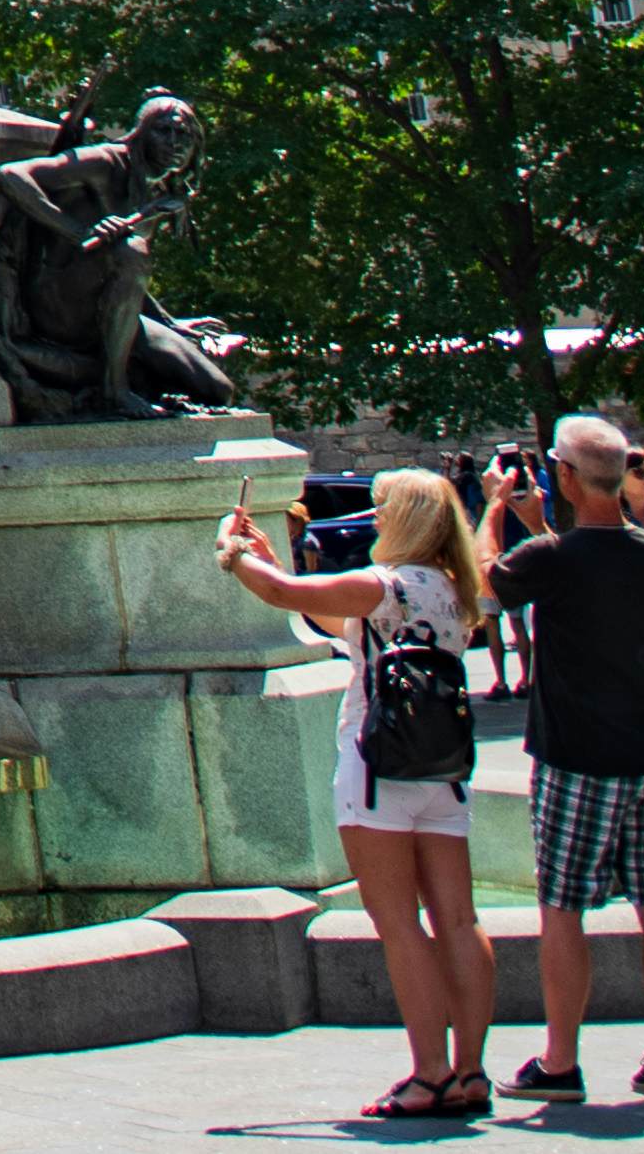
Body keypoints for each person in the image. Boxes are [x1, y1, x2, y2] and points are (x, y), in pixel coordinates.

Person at [214, 471, 486, 1119]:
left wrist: (234, 550)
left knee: (397, 924)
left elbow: (282, 592)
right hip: (441, 770)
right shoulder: (450, 589)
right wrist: (273, 562)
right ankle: (470, 1068)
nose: (374, 516)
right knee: (458, 918)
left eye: (382, 506)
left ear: (407, 518)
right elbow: (329, 614)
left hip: (377, 769)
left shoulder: (382, 581)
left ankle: (428, 1072)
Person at [487, 422, 644, 1114]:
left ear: (566, 475)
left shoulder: (554, 555)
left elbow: (492, 581)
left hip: (580, 758)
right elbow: (585, 570)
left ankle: (561, 1060)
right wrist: (542, 525)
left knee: (563, 910)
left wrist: (494, 508)